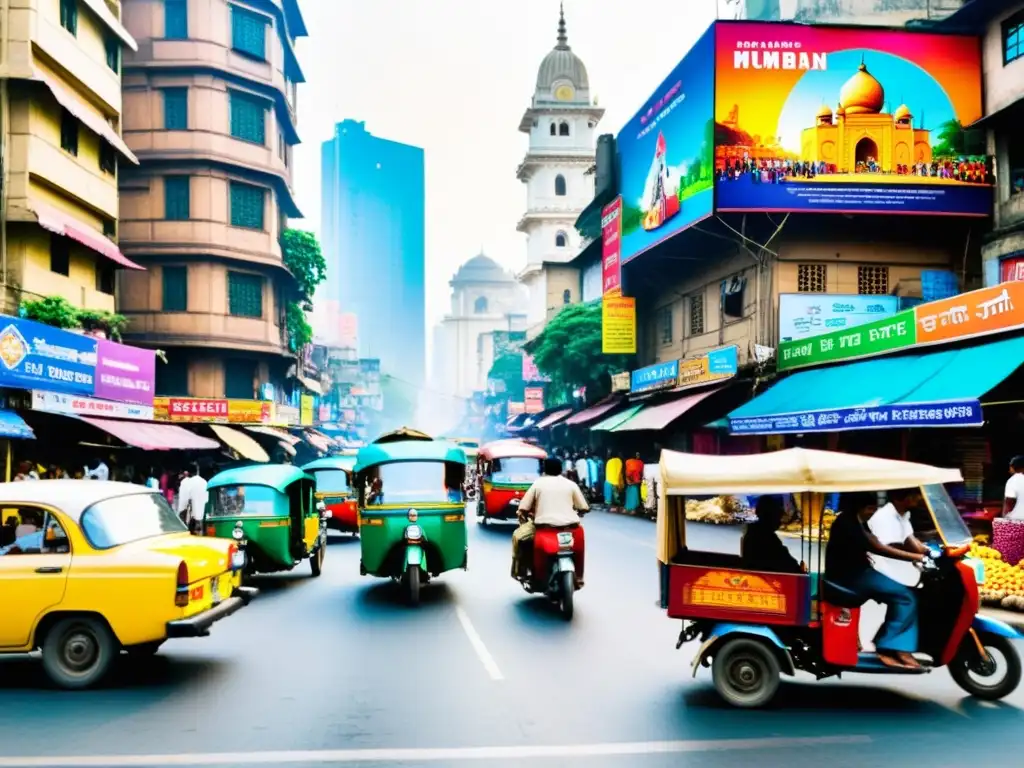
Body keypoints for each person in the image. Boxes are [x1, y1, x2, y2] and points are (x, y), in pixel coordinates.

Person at [825, 491, 931, 670]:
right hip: (850, 578)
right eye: (869, 508)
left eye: (874, 508)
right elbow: (878, 547)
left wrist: (925, 553)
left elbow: (876, 540)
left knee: (904, 592)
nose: (872, 512)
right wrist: (917, 557)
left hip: (860, 573)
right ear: (859, 507)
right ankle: (891, 646)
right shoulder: (847, 523)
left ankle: (892, 642)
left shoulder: (859, 521)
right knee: (906, 596)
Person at [511, 457, 589, 583]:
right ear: (561, 469)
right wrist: (579, 511)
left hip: (544, 528)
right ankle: (579, 578)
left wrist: (523, 514)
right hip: (571, 528)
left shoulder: (538, 484)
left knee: (518, 537)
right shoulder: (571, 484)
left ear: (544, 469)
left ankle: (521, 571)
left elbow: (523, 507)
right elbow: (583, 507)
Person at [868, 488, 928, 588]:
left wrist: (928, 550)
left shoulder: (903, 515)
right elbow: (888, 548)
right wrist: (921, 557)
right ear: (899, 498)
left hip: (908, 571)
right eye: (913, 495)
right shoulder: (884, 516)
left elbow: (912, 541)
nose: (919, 498)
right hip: (891, 575)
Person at [741, 496, 802, 574]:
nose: (780, 522)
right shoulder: (765, 538)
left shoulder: (754, 533)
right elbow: (786, 562)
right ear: (770, 517)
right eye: (778, 517)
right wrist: (799, 570)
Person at [177, 463, 208, 534]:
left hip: (193, 520)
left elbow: (183, 504)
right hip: (205, 518)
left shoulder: (186, 482)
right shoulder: (204, 482)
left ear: (187, 473)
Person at [1003, 456, 1024, 521]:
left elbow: (1009, 502)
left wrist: (1005, 518)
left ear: (1012, 467)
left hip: (1018, 520)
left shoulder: (1013, 480)